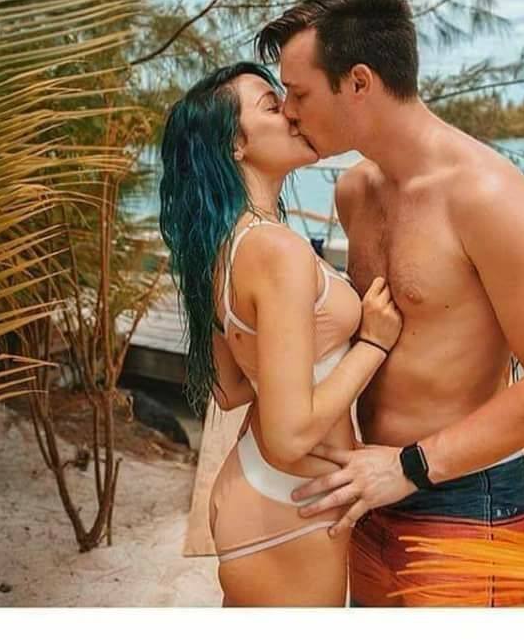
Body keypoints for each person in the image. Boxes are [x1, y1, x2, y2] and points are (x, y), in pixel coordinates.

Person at [255, 0, 524, 606]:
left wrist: (408, 467)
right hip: (367, 490)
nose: (290, 111)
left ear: (359, 82)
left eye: (299, 93)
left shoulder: (486, 195)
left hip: (463, 502)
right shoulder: (354, 192)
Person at [158, 62, 402, 606]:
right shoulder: (277, 250)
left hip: (263, 489)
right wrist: (372, 344)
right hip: (291, 511)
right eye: (272, 106)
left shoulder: (226, 244)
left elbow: (231, 389)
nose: (292, 112)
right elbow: (290, 436)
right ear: (236, 145)